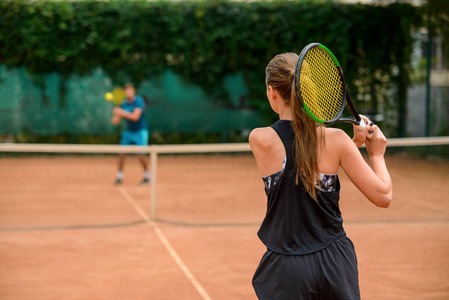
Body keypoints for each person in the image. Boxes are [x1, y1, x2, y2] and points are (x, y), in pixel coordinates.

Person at [249, 53, 392, 300]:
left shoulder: (259, 139)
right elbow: (384, 196)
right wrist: (375, 154)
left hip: (286, 269)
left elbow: (299, 160)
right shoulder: (336, 140)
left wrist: (350, 146)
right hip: (335, 262)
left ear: (272, 92)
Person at [111, 83, 150, 185]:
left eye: (130, 90)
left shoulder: (139, 101)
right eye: (126, 90)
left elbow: (135, 117)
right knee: (122, 154)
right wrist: (115, 113)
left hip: (140, 131)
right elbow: (115, 122)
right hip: (129, 132)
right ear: (125, 92)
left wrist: (122, 113)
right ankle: (119, 177)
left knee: (141, 155)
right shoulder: (124, 104)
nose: (128, 92)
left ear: (133, 91)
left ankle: (146, 176)